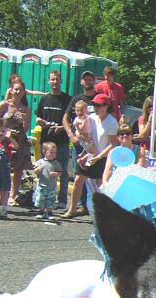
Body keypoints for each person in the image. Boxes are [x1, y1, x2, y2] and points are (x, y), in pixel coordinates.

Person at [63, 94, 118, 219]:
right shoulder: (91, 117)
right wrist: (80, 135)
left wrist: (99, 157)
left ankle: (106, 213)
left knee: (100, 185)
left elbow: (113, 144)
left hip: (102, 157)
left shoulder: (111, 122)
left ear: (106, 106)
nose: (96, 107)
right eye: (94, 105)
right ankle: (72, 209)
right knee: (78, 180)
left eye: (99, 105)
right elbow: (78, 131)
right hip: (89, 153)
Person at [63, 70, 99, 214]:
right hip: (79, 144)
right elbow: (65, 118)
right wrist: (71, 135)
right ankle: (77, 206)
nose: (88, 81)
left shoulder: (98, 99)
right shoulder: (76, 99)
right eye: (85, 79)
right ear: (81, 82)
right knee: (79, 176)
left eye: (90, 79)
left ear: (94, 81)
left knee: (96, 177)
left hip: (95, 144)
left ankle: (92, 207)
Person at [36, 70, 71, 210]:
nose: (54, 82)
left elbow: (72, 121)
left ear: (61, 81)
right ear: (48, 81)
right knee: (43, 171)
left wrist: (62, 127)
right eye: (52, 80)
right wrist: (41, 122)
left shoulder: (67, 99)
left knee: (61, 171)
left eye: (57, 79)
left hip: (61, 141)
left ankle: (62, 201)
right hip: (46, 141)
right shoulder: (45, 99)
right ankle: (41, 200)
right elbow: (37, 116)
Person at [0, 79, 32, 207]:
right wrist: (2, 133)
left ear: (24, 92)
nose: (18, 92)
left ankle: (12, 195)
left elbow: (27, 128)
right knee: (2, 168)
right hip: (5, 139)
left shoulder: (26, 109)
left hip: (20, 140)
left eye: (20, 90)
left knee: (18, 169)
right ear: (11, 90)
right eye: (16, 89)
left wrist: (24, 120)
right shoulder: (4, 105)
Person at [32, 141, 62, 220]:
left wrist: (56, 174)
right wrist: (39, 169)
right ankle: (41, 211)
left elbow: (60, 173)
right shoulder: (40, 162)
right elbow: (34, 171)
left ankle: (49, 212)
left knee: (51, 199)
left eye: (55, 153)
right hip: (42, 184)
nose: (53, 154)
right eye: (51, 152)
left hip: (52, 185)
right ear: (44, 152)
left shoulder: (56, 163)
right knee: (41, 199)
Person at [72, 100, 97, 168]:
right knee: (94, 152)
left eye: (81, 110)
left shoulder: (86, 117)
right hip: (84, 138)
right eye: (78, 110)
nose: (80, 112)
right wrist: (85, 136)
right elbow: (81, 128)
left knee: (90, 151)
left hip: (86, 137)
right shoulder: (79, 119)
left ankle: (83, 160)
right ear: (75, 111)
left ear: (86, 110)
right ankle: (83, 162)